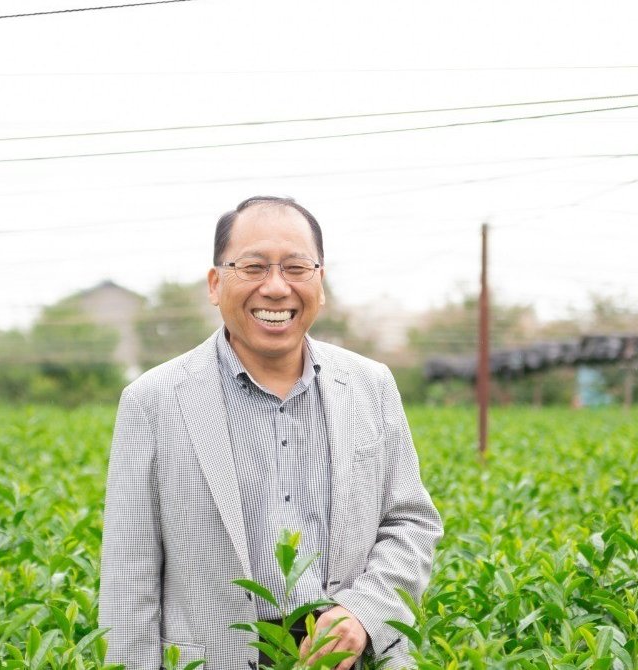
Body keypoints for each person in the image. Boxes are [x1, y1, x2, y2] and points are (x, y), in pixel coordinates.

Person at [99, 196, 442, 670]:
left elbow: (411, 523)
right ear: (216, 283)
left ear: (320, 282)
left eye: (296, 268)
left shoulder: (371, 386)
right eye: (254, 267)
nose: (276, 288)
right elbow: (128, 578)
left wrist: (362, 614)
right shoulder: (153, 400)